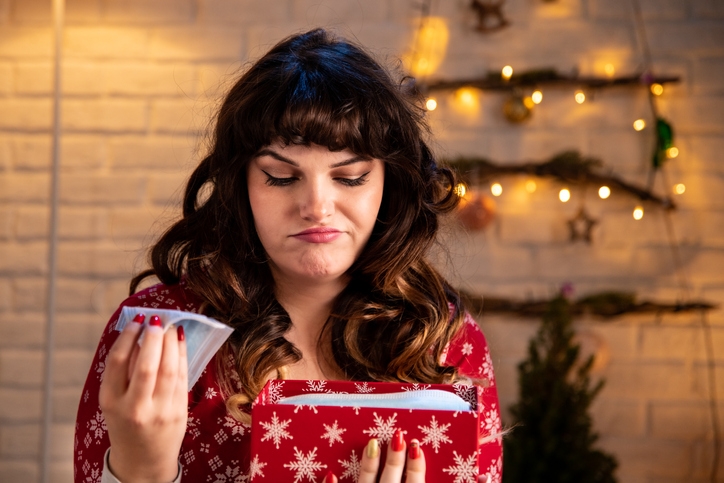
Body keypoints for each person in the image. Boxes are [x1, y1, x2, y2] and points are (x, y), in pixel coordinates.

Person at [74, 28, 501, 483]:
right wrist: (142, 468)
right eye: (280, 176)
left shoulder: (442, 338)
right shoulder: (163, 334)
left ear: (389, 185)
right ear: (241, 185)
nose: (316, 208)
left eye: (351, 177)